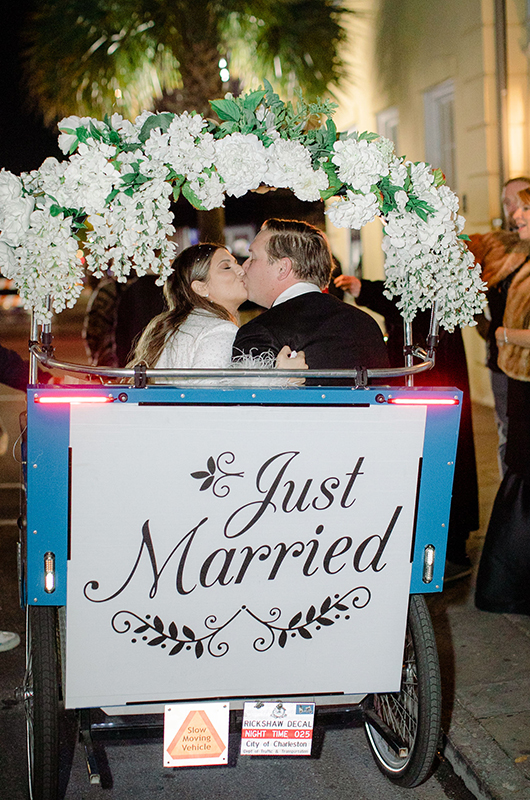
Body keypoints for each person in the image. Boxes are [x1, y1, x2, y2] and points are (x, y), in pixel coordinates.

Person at [333, 274, 479, 580]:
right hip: (423, 367)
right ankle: (442, 538)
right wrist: (368, 289)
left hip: (432, 373)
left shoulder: (437, 277)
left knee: (440, 448)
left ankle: (447, 540)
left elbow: (414, 304)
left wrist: (367, 290)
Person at [231, 219, 389, 378]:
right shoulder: (365, 323)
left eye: (253, 257)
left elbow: (251, 400)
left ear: (282, 268)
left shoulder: (261, 332)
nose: (244, 266)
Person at [130, 243, 306, 378]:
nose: (241, 270)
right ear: (200, 287)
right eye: (226, 267)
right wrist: (282, 377)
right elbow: (210, 393)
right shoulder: (219, 330)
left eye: (236, 263)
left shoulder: (179, 325)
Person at [475, 186, 530, 615]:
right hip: (520, 380)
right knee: (518, 469)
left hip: (523, 376)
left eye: (527, 210)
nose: (518, 216)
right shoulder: (518, 259)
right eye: (518, 209)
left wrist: (504, 336)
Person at [467, 176, 530, 475]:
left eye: (522, 203)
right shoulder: (495, 248)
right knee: (508, 434)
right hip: (503, 363)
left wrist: (503, 333)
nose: (514, 210)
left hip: (520, 356)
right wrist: (488, 329)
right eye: (508, 203)